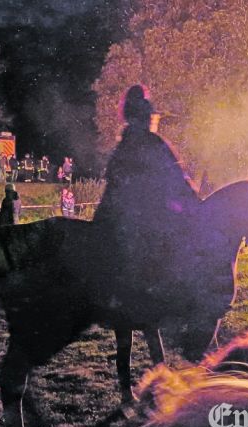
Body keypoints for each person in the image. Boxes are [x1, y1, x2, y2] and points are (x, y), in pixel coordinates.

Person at [93, 84, 199, 290]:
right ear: (148, 117)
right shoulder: (152, 143)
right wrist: (194, 203)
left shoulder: (124, 143)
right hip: (139, 219)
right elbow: (177, 178)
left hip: (113, 216)